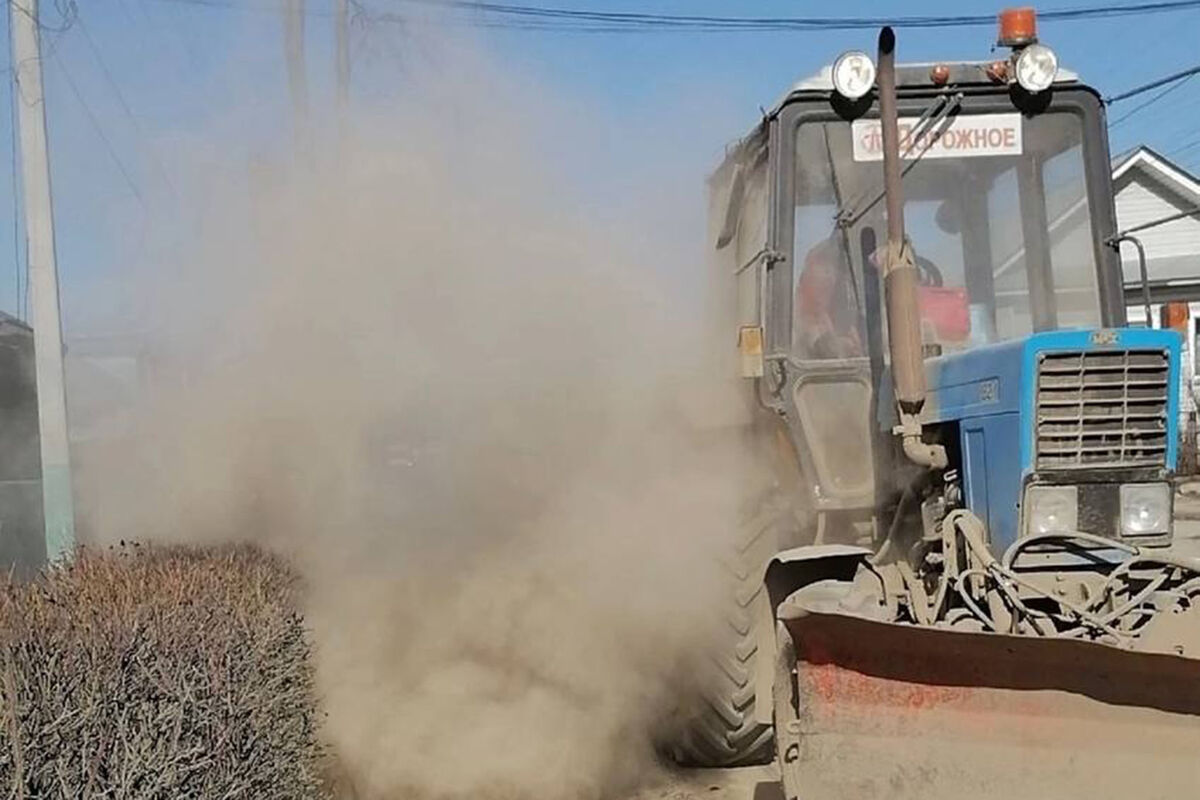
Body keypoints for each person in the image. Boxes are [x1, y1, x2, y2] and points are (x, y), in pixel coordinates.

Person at [794, 234, 863, 358]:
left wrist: (857, 349)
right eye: (824, 269)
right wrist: (836, 345)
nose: (830, 276)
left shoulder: (844, 315)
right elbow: (804, 343)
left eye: (832, 269)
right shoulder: (789, 315)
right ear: (804, 278)